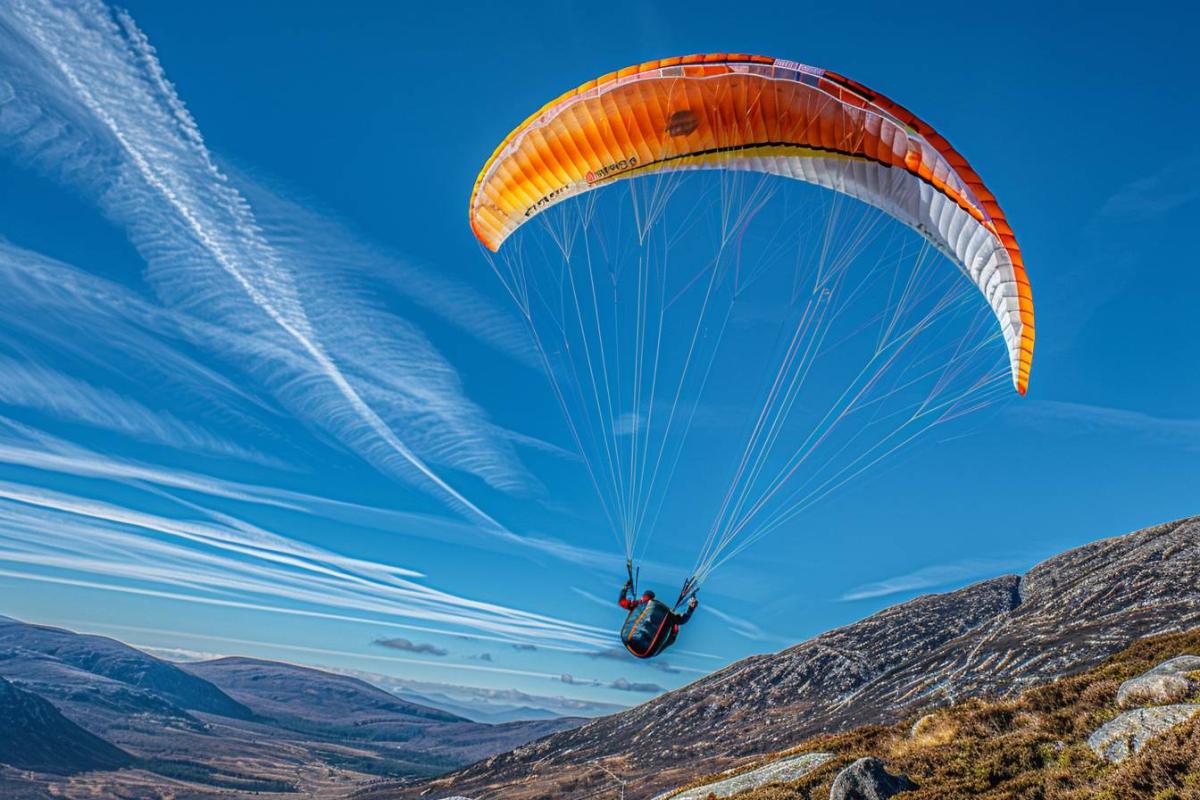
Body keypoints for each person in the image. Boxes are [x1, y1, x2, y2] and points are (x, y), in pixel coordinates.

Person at [618, 579, 698, 658]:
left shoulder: (640, 604)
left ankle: (672, 634)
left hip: (638, 643)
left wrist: (625, 588)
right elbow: (682, 620)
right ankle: (672, 634)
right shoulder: (641, 605)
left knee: (673, 631)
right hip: (648, 650)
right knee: (674, 631)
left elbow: (622, 602)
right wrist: (691, 609)